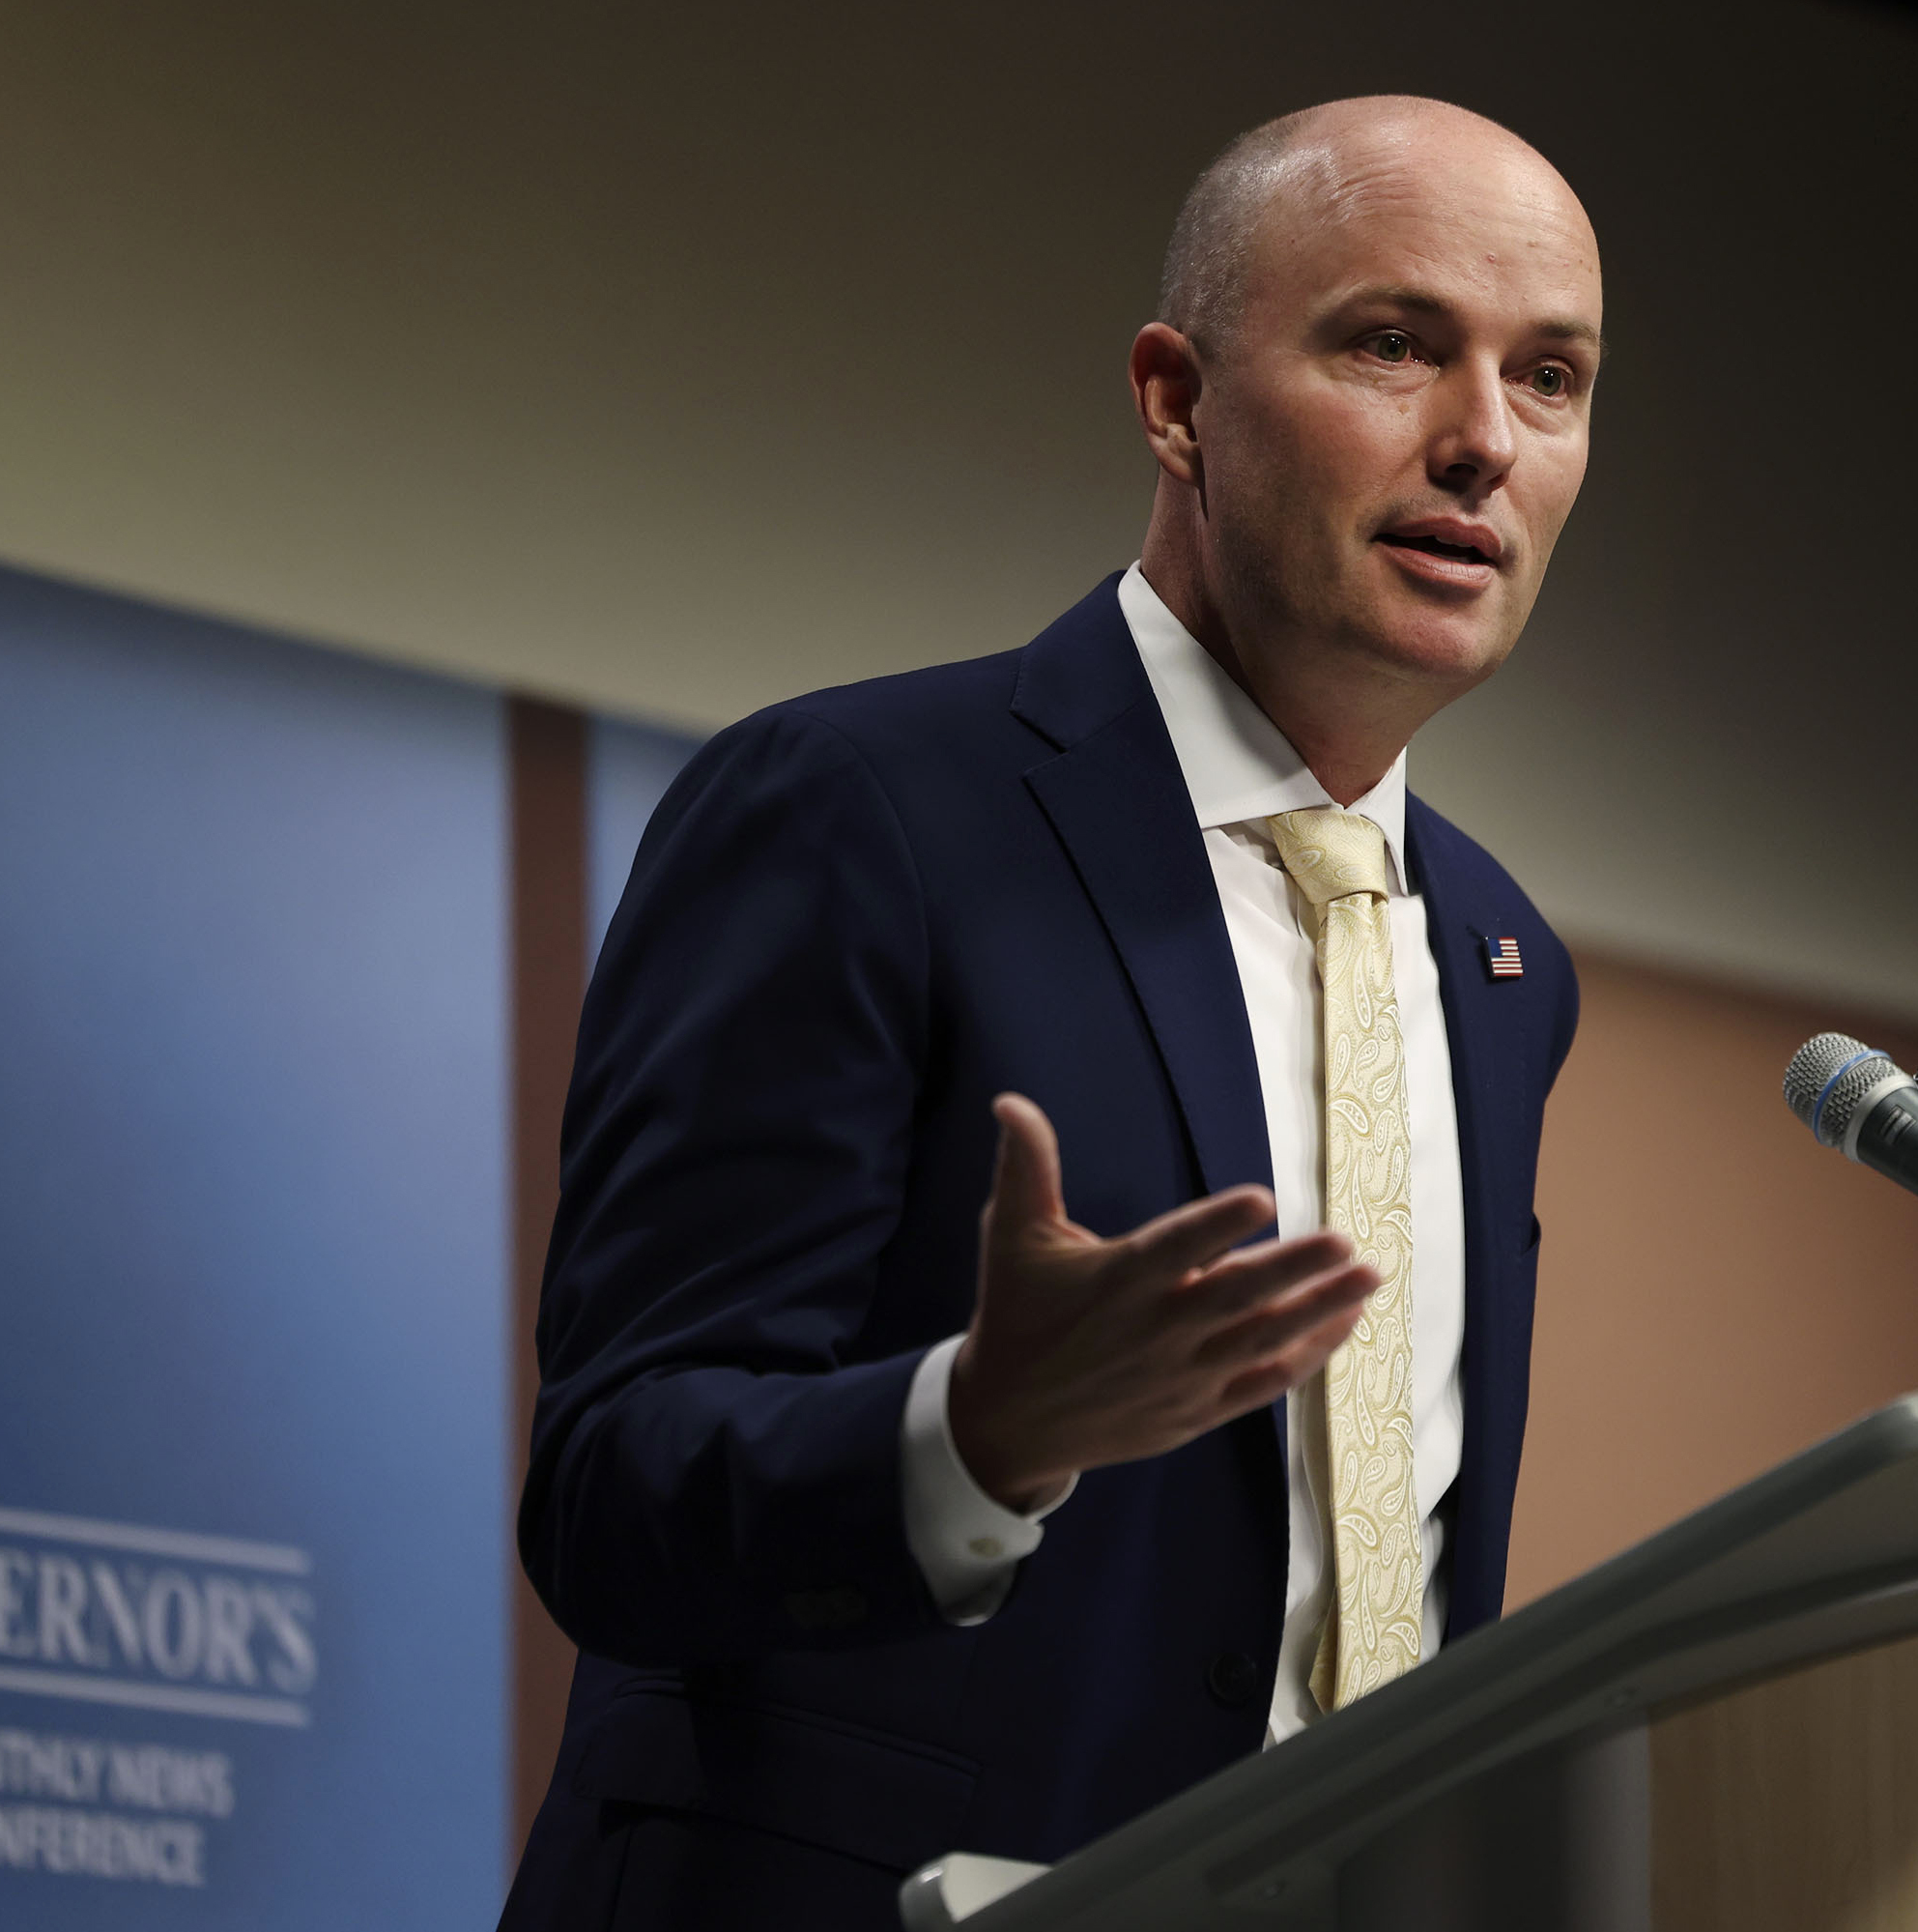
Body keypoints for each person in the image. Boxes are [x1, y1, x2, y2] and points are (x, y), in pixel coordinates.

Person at [501, 93, 1601, 1931]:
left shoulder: (1501, 956)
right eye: (1395, 346)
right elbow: (615, 1496)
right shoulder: (859, 808)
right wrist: (975, 1431)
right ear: (1177, 400)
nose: (1482, 441)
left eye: (1550, 378)